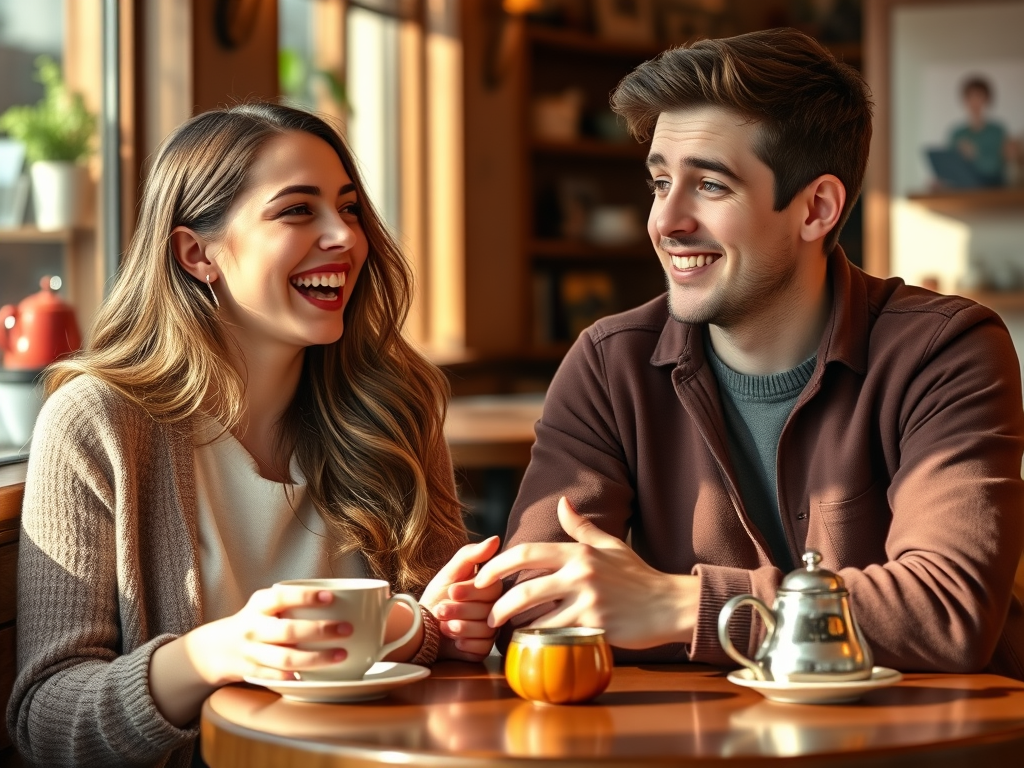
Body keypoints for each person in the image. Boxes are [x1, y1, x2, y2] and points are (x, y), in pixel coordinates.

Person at [475, 28, 1024, 678]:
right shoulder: (607, 363)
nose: (666, 222)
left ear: (816, 209)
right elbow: (532, 605)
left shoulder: (946, 350)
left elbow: (946, 613)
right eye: (659, 183)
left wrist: (677, 606)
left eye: (710, 185)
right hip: (701, 731)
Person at [7, 102, 501, 768]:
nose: (346, 237)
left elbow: (437, 628)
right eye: (297, 210)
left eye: (348, 208)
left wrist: (448, 625)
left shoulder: (393, 406)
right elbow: (46, 717)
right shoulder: (96, 423)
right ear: (196, 254)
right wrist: (216, 654)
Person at [949, 75, 1009, 187]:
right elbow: (950, 165)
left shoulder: (997, 132)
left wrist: (975, 156)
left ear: (987, 99)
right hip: (963, 188)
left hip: (991, 188)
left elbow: (997, 166)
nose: (975, 102)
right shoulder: (957, 133)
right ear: (965, 100)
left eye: (979, 96)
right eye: (970, 97)